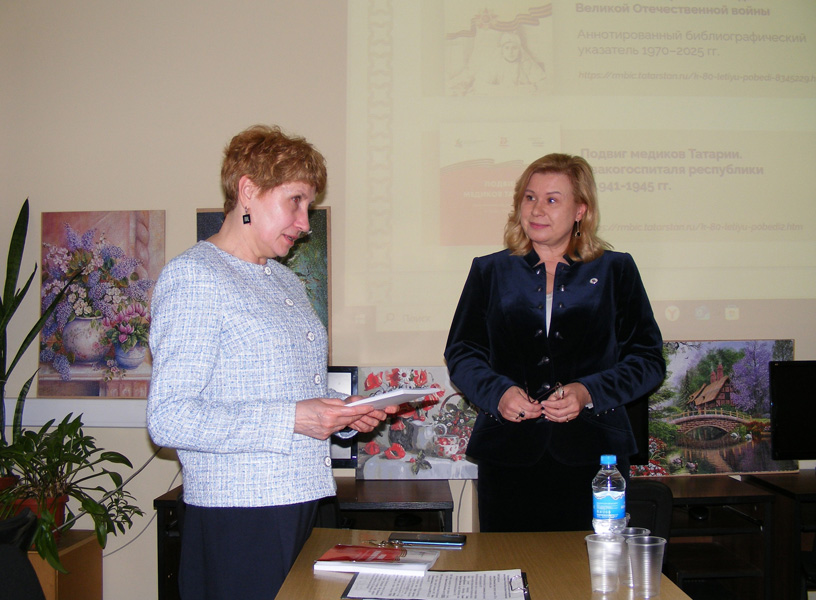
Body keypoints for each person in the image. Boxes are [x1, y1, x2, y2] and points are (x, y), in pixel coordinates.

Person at [147, 125, 394, 599]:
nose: (305, 222)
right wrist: (294, 418)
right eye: (295, 200)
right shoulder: (194, 276)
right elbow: (169, 418)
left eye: (309, 206)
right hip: (242, 517)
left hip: (307, 499)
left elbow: (293, 394)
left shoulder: (285, 282)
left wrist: (344, 413)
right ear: (248, 190)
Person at [444, 153, 665, 532]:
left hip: (596, 458)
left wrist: (587, 392)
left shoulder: (616, 270)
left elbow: (647, 360)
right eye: (529, 197)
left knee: (588, 566)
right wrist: (498, 393)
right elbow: (462, 352)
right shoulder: (490, 270)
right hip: (508, 454)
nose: (536, 210)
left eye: (551, 199)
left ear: (580, 210)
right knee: (509, 562)